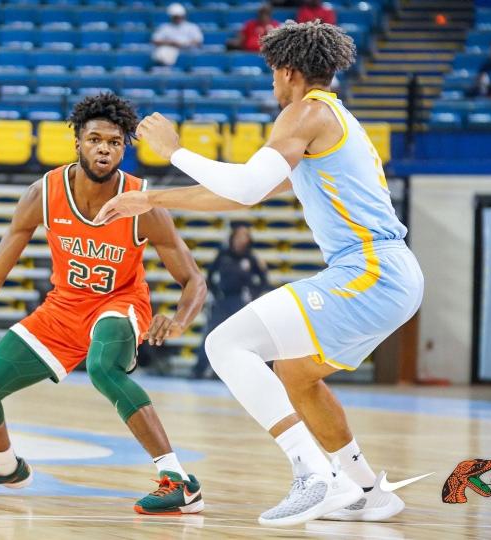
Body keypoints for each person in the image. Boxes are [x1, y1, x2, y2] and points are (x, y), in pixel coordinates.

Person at [94, 21, 424, 526]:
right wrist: (149, 197)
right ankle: (363, 489)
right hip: (389, 274)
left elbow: (245, 188)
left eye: (272, 72)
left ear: (289, 72)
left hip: (371, 270)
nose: (271, 83)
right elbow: (240, 195)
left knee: (225, 345)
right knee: (296, 375)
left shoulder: (304, 112)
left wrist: (174, 152)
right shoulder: (326, 118)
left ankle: (313, 474)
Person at [0, 93, 208, 515]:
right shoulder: (43, 194)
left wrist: (178, 320)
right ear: (78, 142)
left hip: (118, 305)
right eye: (95, 139)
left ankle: (179, 481)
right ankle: (6, 468)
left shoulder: (142, 204)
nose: (104, 148)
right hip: (63, 309)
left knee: (103, 368)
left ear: (124, 148)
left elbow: (194, 279)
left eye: (115, 142)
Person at [191, 224, 269, 379]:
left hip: (240, 303)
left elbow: (264, 281)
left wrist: (251, 294)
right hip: (221, 301)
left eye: (245, 236)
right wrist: (214, 291)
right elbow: (209, 275)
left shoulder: (252, 258)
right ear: (232, 238)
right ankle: (198, 370)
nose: (241, 239)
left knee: (238, 339)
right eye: (238, 236)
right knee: (210, 335)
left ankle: (226, 373)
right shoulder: (223, 255)